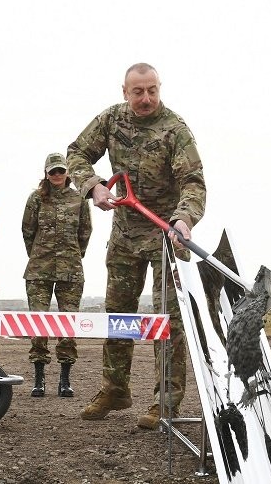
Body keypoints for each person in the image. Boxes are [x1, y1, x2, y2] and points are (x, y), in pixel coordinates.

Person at [66, 62, 206, 429]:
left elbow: (193, 182)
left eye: (152, 91)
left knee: (167, 322)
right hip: (125, 235)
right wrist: (93, 185)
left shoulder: (175, 129)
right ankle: (115, 390)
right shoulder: (111, 120)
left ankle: (166, 401)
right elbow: (76, 153)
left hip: (166, 236)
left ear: (160, 88)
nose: (146, 99)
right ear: (124, 92)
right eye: (138, 92)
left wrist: (183, 219)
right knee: (119, 315)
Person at [22, 152, 92, 398]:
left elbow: (85, 232)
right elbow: (27, 231)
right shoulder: (36, 199)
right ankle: (39, 379)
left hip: (70, 271)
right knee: (38, 324)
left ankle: (65, 380)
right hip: (39, 270)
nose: (57, 175)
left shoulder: (79, 199)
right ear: (46, 173)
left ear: (67, 173)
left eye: (61, 170)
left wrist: (72, 256)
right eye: (53, 171)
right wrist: (39, 255)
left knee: (68, 325)